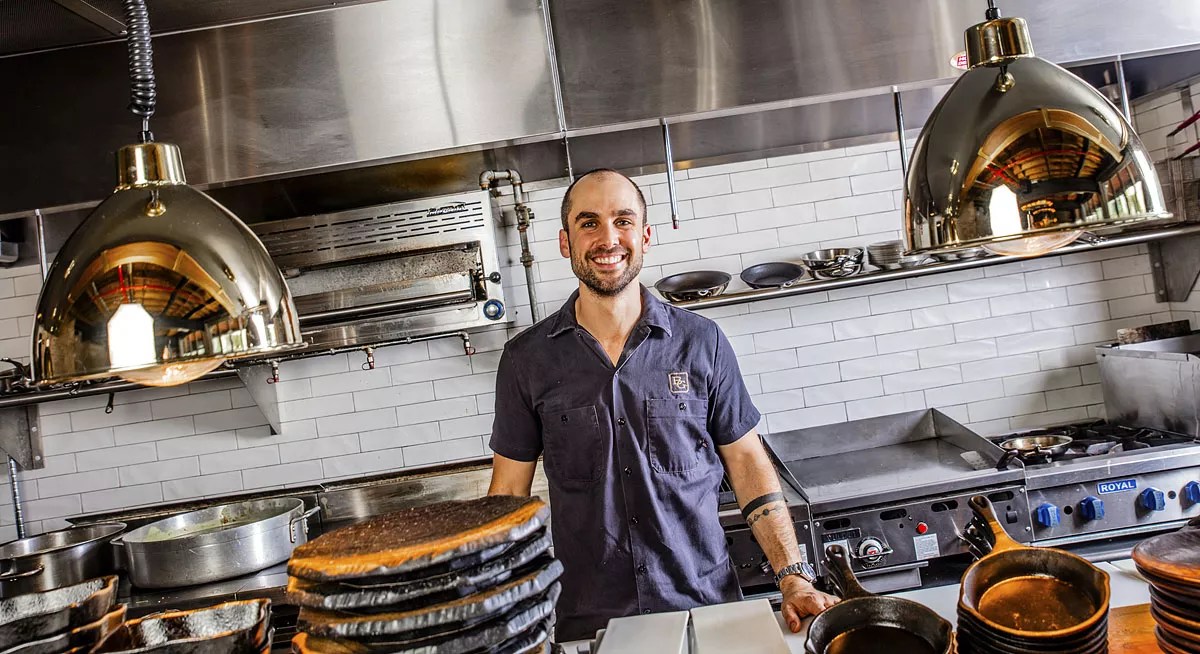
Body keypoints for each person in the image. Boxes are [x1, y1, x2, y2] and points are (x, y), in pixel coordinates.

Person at [487, 168, 838, 641]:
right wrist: (496, 608)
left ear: (645, 236)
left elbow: (748, 460)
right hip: (590, 621)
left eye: (623, 220)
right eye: (588, 223)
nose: (607, 238)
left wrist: (792, 573)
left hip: (705, 607)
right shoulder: (527, 360)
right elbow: (508, 495)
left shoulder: (702, 341)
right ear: (565, 243)